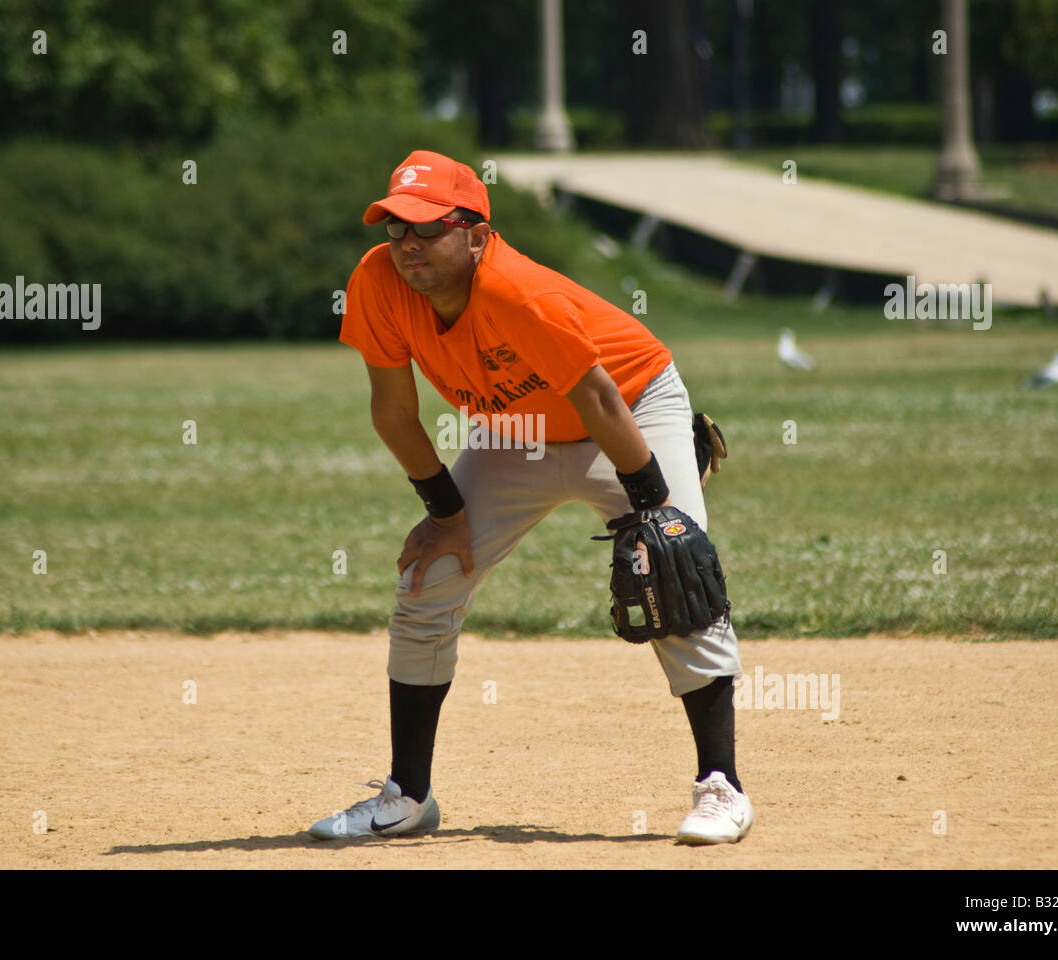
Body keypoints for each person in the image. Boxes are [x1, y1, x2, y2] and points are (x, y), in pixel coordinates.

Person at [309, 149, 752, 845]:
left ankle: (722, 787)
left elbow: (601, 397)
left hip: (632, 411)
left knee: (676, 574)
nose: (407, 245)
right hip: (517, 432)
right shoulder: (377, 280)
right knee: (430, 580)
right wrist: (445, 515)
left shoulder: (516, 291)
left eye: (428, 227)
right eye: (395, 226)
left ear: (478, 234)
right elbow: (394, 413)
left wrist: (653, 502)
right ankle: (408, 796)